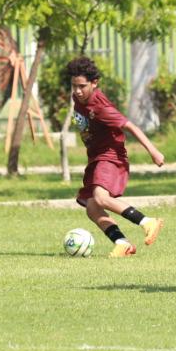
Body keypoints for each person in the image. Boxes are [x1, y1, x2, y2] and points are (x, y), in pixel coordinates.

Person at [62, 56, 165, 257]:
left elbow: (129, 126)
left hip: (111, 156)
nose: (77, 91)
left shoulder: (99, 107)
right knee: (92, 207)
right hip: (96, 157)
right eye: (74, 86)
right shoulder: (78, 98)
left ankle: (148, 222)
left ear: (94, 83)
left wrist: (153, 151)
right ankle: (122, 243)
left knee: (101, 198)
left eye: (82, 86)